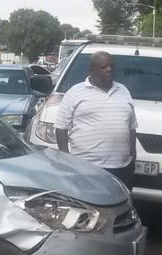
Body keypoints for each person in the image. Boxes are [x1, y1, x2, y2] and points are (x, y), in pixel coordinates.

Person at [54, 51, 138, 188]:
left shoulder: (123, 91)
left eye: (111, 66)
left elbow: (131, 127)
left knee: (120, 205)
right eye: (104, 67)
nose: (109, 69)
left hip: (121, 168)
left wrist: (133, 158)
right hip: (86, 167)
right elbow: (61, 129)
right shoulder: (75, 92)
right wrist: (67, 161)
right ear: (91, 70)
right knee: (90, 207)